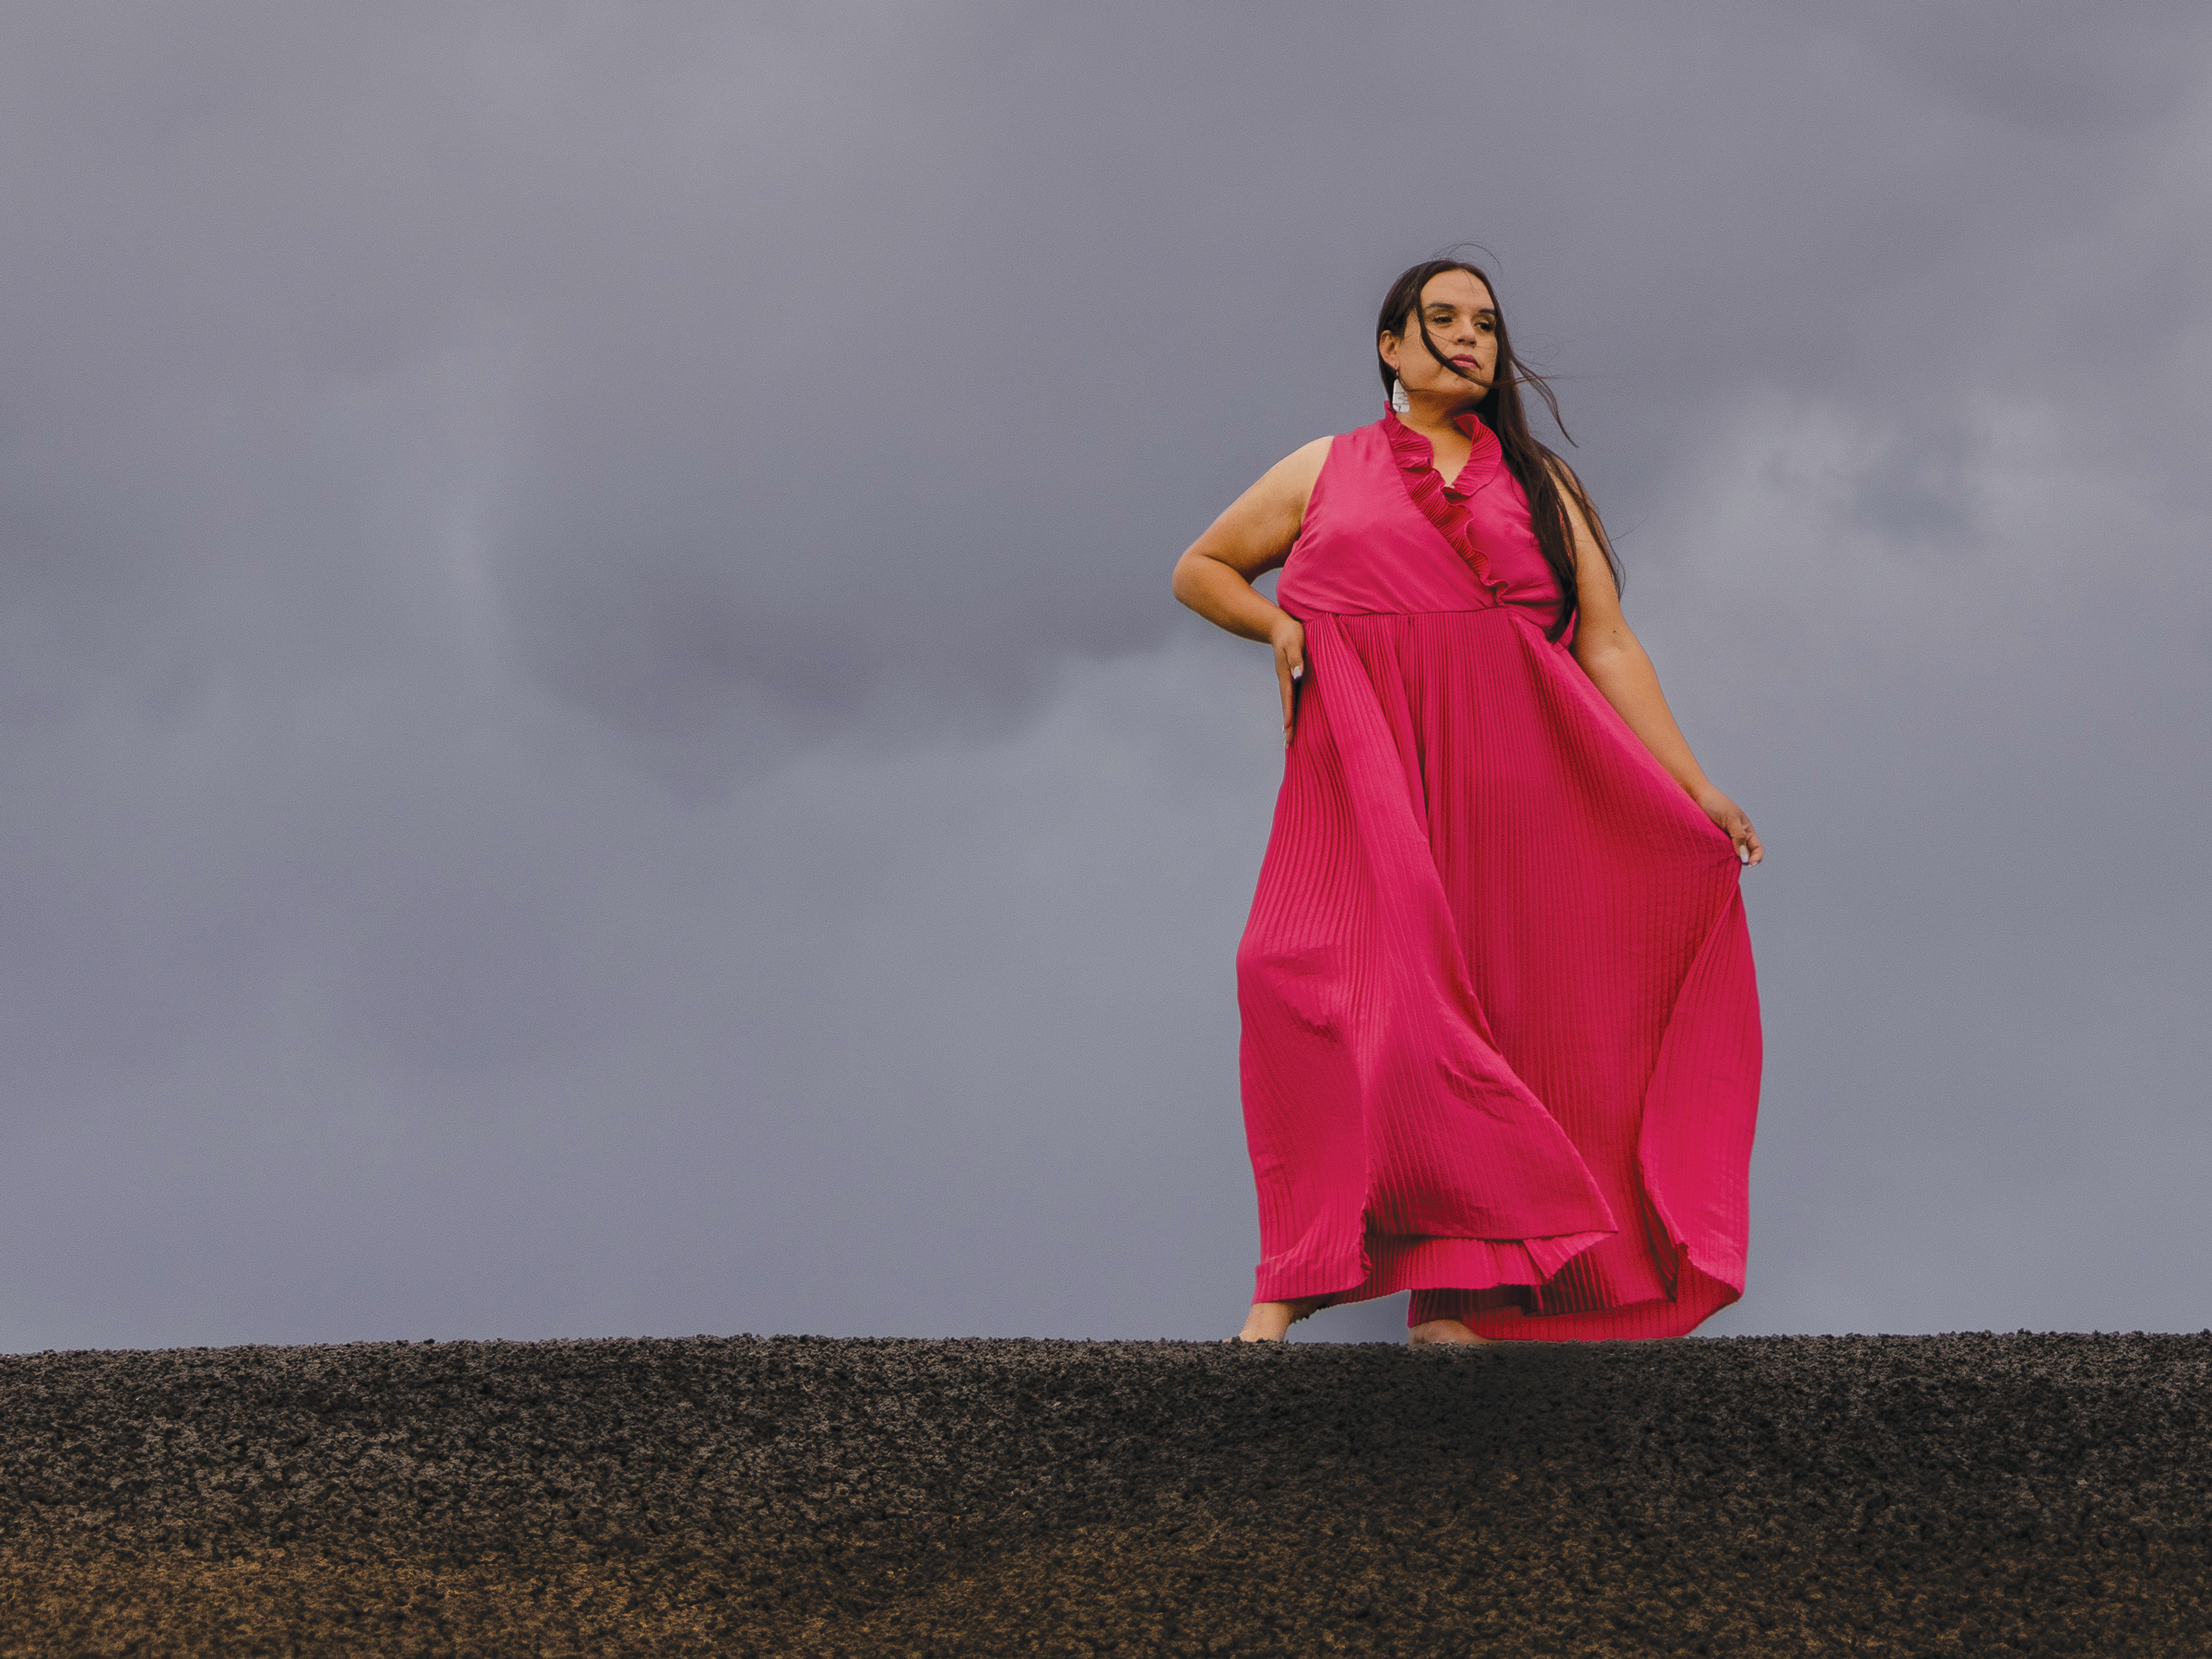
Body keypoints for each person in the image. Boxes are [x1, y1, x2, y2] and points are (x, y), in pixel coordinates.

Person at [1171, 257, 1763, 1347]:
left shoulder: (1542, 484)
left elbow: (1606, 642)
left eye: (1485, 323)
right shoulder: (1325, 467)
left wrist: (1696, 786)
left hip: (1525, 786)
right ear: (1391, 348)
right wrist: (1281, 626)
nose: (1467, 337)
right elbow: (1201, 568)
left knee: (1516, 1023)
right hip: (1369, 775)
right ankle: (1296, 1272)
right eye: (1440, 319)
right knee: (1290, 975)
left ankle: (1468, 1303)